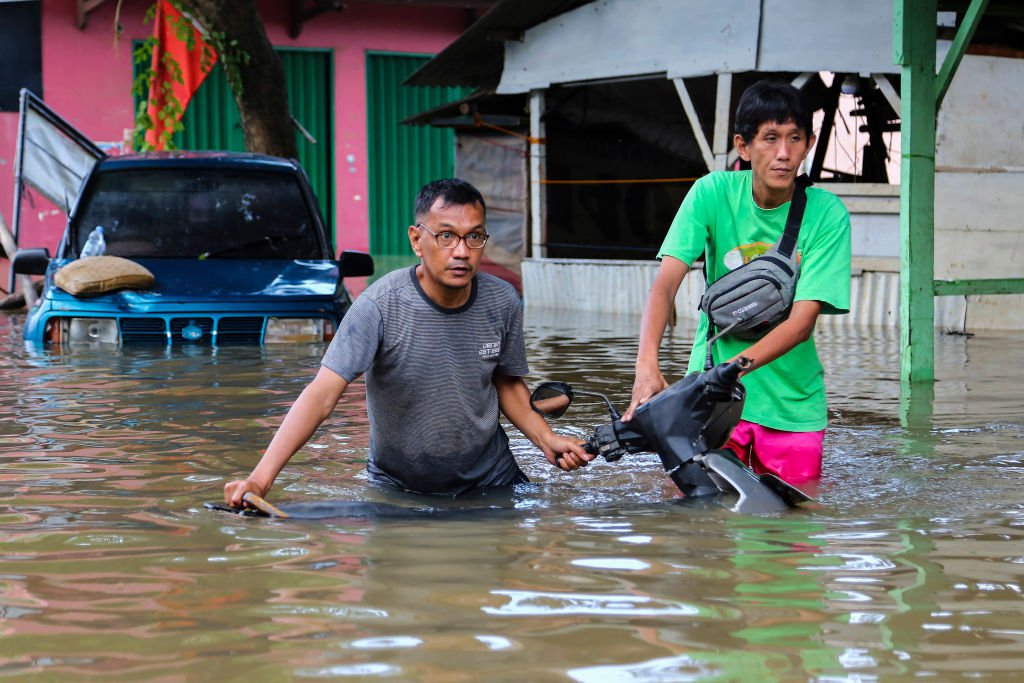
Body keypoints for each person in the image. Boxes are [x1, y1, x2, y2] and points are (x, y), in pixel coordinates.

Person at [224, 178, 592, 506]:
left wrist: (547, 439)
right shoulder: (378, 306)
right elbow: (321, 395)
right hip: (398, 488)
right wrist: (260, 478)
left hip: (492, 479)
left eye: (474, 236)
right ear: (417, 239)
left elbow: (506, 382)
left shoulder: (503, 301)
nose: (461, 251)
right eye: (446, 236)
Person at [623, 80, 851, 485]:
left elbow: (800, 325)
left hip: (791, 407)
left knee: (792, 535)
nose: (783, 153)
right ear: (743, 146)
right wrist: (646, 367)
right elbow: (664, 286)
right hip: (709, 400)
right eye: (770, 138)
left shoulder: (827, 214)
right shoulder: (711, 193)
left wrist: (732, 369)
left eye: (794, 138)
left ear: (810, 143)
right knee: (702, 526)